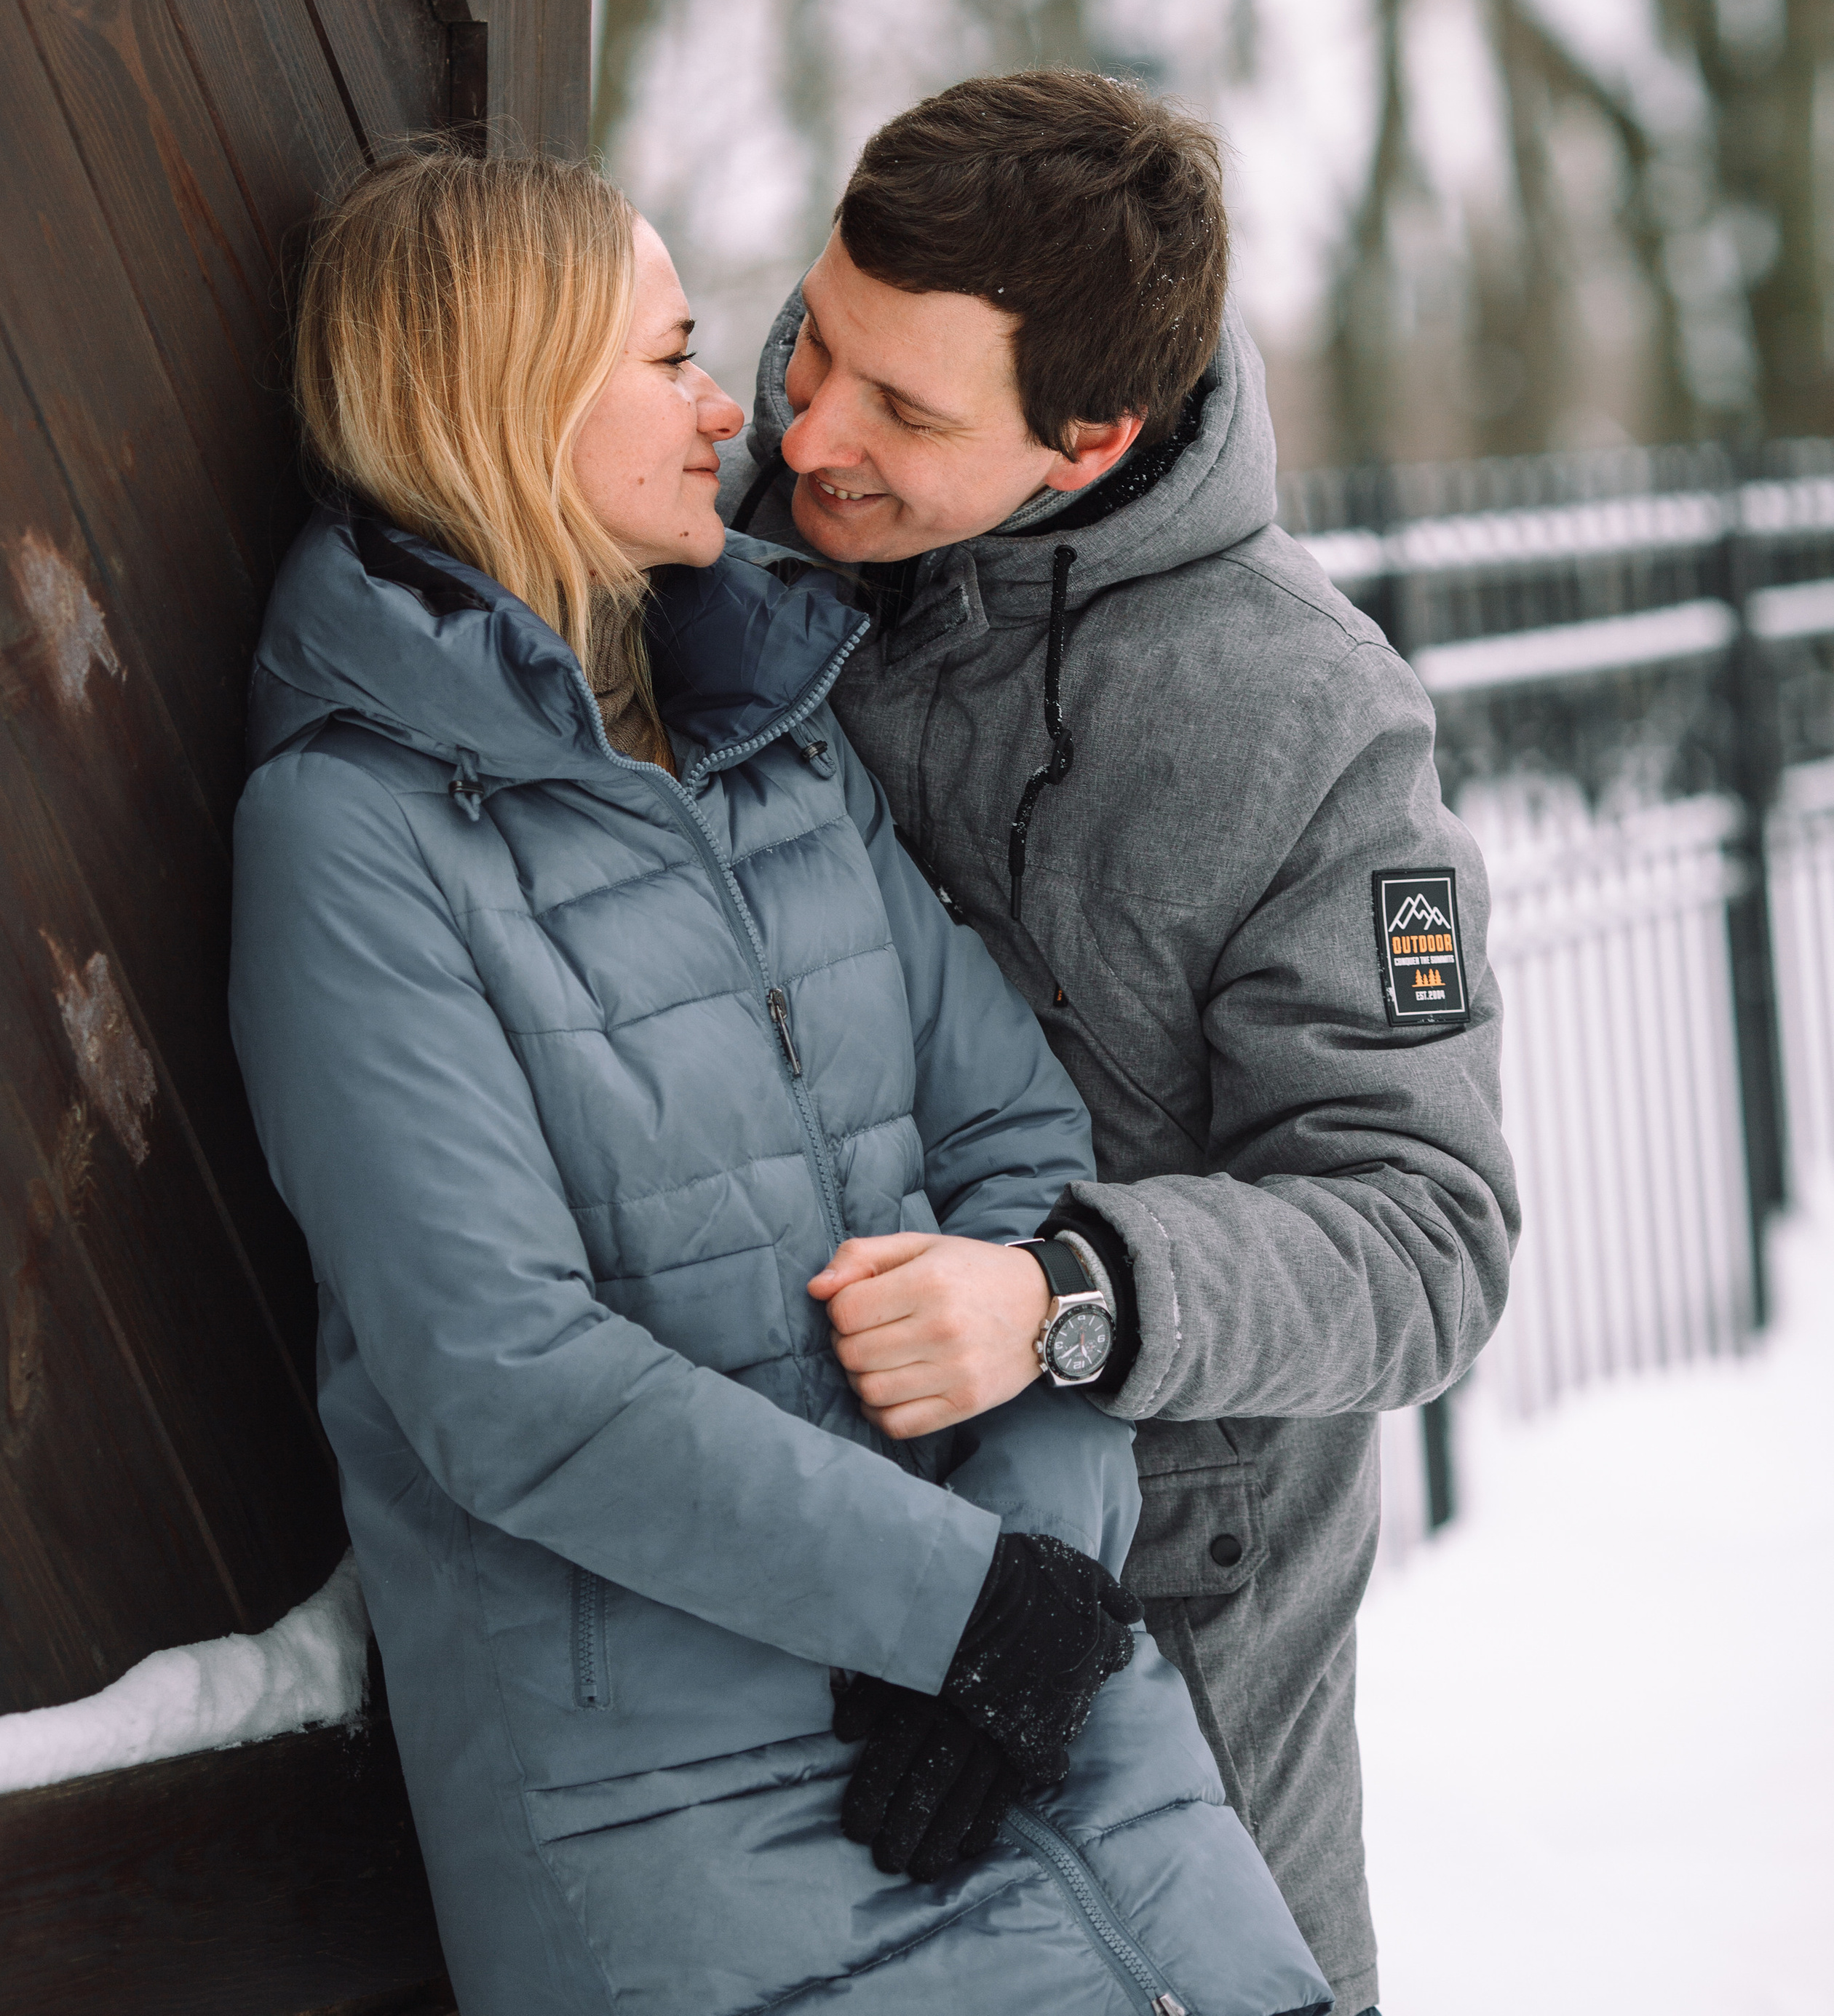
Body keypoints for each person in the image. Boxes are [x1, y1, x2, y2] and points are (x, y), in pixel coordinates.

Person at [229, 146, 1330, 2016]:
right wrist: (964, 1608)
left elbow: (1015, 1157)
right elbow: (505, 1380)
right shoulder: (351, 836)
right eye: (669, 358)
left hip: (1062, 1741)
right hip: (689, 1824)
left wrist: (1043, 1590)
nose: (733, 408)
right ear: (506, 398)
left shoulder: (769, 745)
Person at [723, 71, 1523, 2016]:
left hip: (1169, 1615)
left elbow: (1429, 1234)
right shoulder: (722, 508)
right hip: (764, 1541)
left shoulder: (1311, 732)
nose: (808, 431)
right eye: (813, 340)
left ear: (1088, 441)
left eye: (904, 410)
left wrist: (1068, 1294)